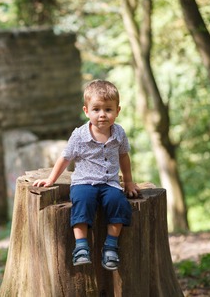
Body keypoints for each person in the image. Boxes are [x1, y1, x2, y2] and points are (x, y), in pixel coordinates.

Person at [33, 79, 140, 270]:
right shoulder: (79, 135)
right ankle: (81, 247)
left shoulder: (119, 133)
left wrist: (129, 182)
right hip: (84, 182)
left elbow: (124, 157)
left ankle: (110, 246)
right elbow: (65, 158)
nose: (102, 115)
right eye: (96, 109)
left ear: (117, 111)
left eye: (108, 109)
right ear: (86, 111)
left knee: (118, 203)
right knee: (83, 202)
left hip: (110, 183)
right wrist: (51, 179)